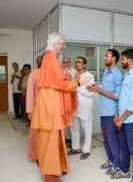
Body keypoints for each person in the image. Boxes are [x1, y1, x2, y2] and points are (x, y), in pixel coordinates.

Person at [31, 33, 82, 182]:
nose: (63, 46)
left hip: (49, 103)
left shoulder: (48, 58)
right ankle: (50, 175)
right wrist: (77, 83)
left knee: (54, 139)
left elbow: (58, 80)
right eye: (62, 43)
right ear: (54, 44)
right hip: (50, 106)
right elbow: (61, 83)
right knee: (51, 141)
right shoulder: (52, 59)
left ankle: (56, 168)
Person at [87, 49, 123, 177]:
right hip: (104, 111)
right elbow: (105, 91)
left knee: (113, 140)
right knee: (106, 140)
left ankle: (117, 164)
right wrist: (95, 89)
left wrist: (100, 90)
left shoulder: (118, 74)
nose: (104, 58)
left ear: (113, 59)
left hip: (111, 113)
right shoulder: (107, 72)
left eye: (106, 56)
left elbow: (117, 96)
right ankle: (112, 160)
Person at [112, 49, 133, 181]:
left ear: (129, 60)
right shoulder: (128, 75)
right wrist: (117, 114)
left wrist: (122, 119)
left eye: (123, 59)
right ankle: (125, 170)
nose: (122, 62)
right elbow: (124, 99)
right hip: (123, 119)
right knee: (124, 147)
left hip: (130, 121)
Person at [68, 56, 95, 160]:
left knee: (87, 129)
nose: (77, 64)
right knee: (74, 128)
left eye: (79, 62)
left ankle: (86, 150)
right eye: (76, 62)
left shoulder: (90, 76)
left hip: (85, 107)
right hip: (74, 106)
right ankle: (75, 148)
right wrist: (77, 84)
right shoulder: (73, 75)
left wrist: (76, 86)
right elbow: (69, 89)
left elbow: (90, 92)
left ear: (84, 64)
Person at [26, 56, 42, 162]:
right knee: (37, 133)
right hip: (37, 109)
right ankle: (37, 155)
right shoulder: (34, 73)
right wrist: (30, 110)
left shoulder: (52, 73)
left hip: (50, 110)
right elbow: (30, 93)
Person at [62, 57, 77, 146]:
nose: (66, 64)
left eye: (67, 62)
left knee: (73, 120)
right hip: (63, 99)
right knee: (64, 120)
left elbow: (75, 85)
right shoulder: (60, 71)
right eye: (64, 62)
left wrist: (69, 80)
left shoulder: (75, 72)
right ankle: (65, 138)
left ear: (70, 62)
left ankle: (72, 140)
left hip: (72, 98)